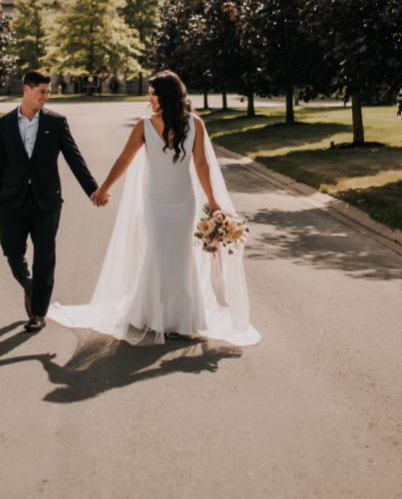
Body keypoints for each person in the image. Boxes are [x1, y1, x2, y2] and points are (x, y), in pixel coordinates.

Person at [48, 71, 260, 346]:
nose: (149, 97)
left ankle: (181, 319)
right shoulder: (144, 125)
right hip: (156, 199)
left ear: (166, 95)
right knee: (159, 252)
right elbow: (125, 158)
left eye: (153, 92)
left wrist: (213, 201)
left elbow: (201, 164)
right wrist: (103, 188)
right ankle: (154, 314)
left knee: (181, 254)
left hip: (185, 198)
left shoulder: (195, 123)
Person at [0, 70, 102, 333]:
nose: (46, 96)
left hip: (46, 200)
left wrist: (93, 190)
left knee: (44, 257)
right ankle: (31, 287)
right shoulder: (4, 123)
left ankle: (39, 313)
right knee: (12, 252)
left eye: (48, 91)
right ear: (27, 90)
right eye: (42, 91)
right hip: (12, 200)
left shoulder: (56, 122)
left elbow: (75, 159)